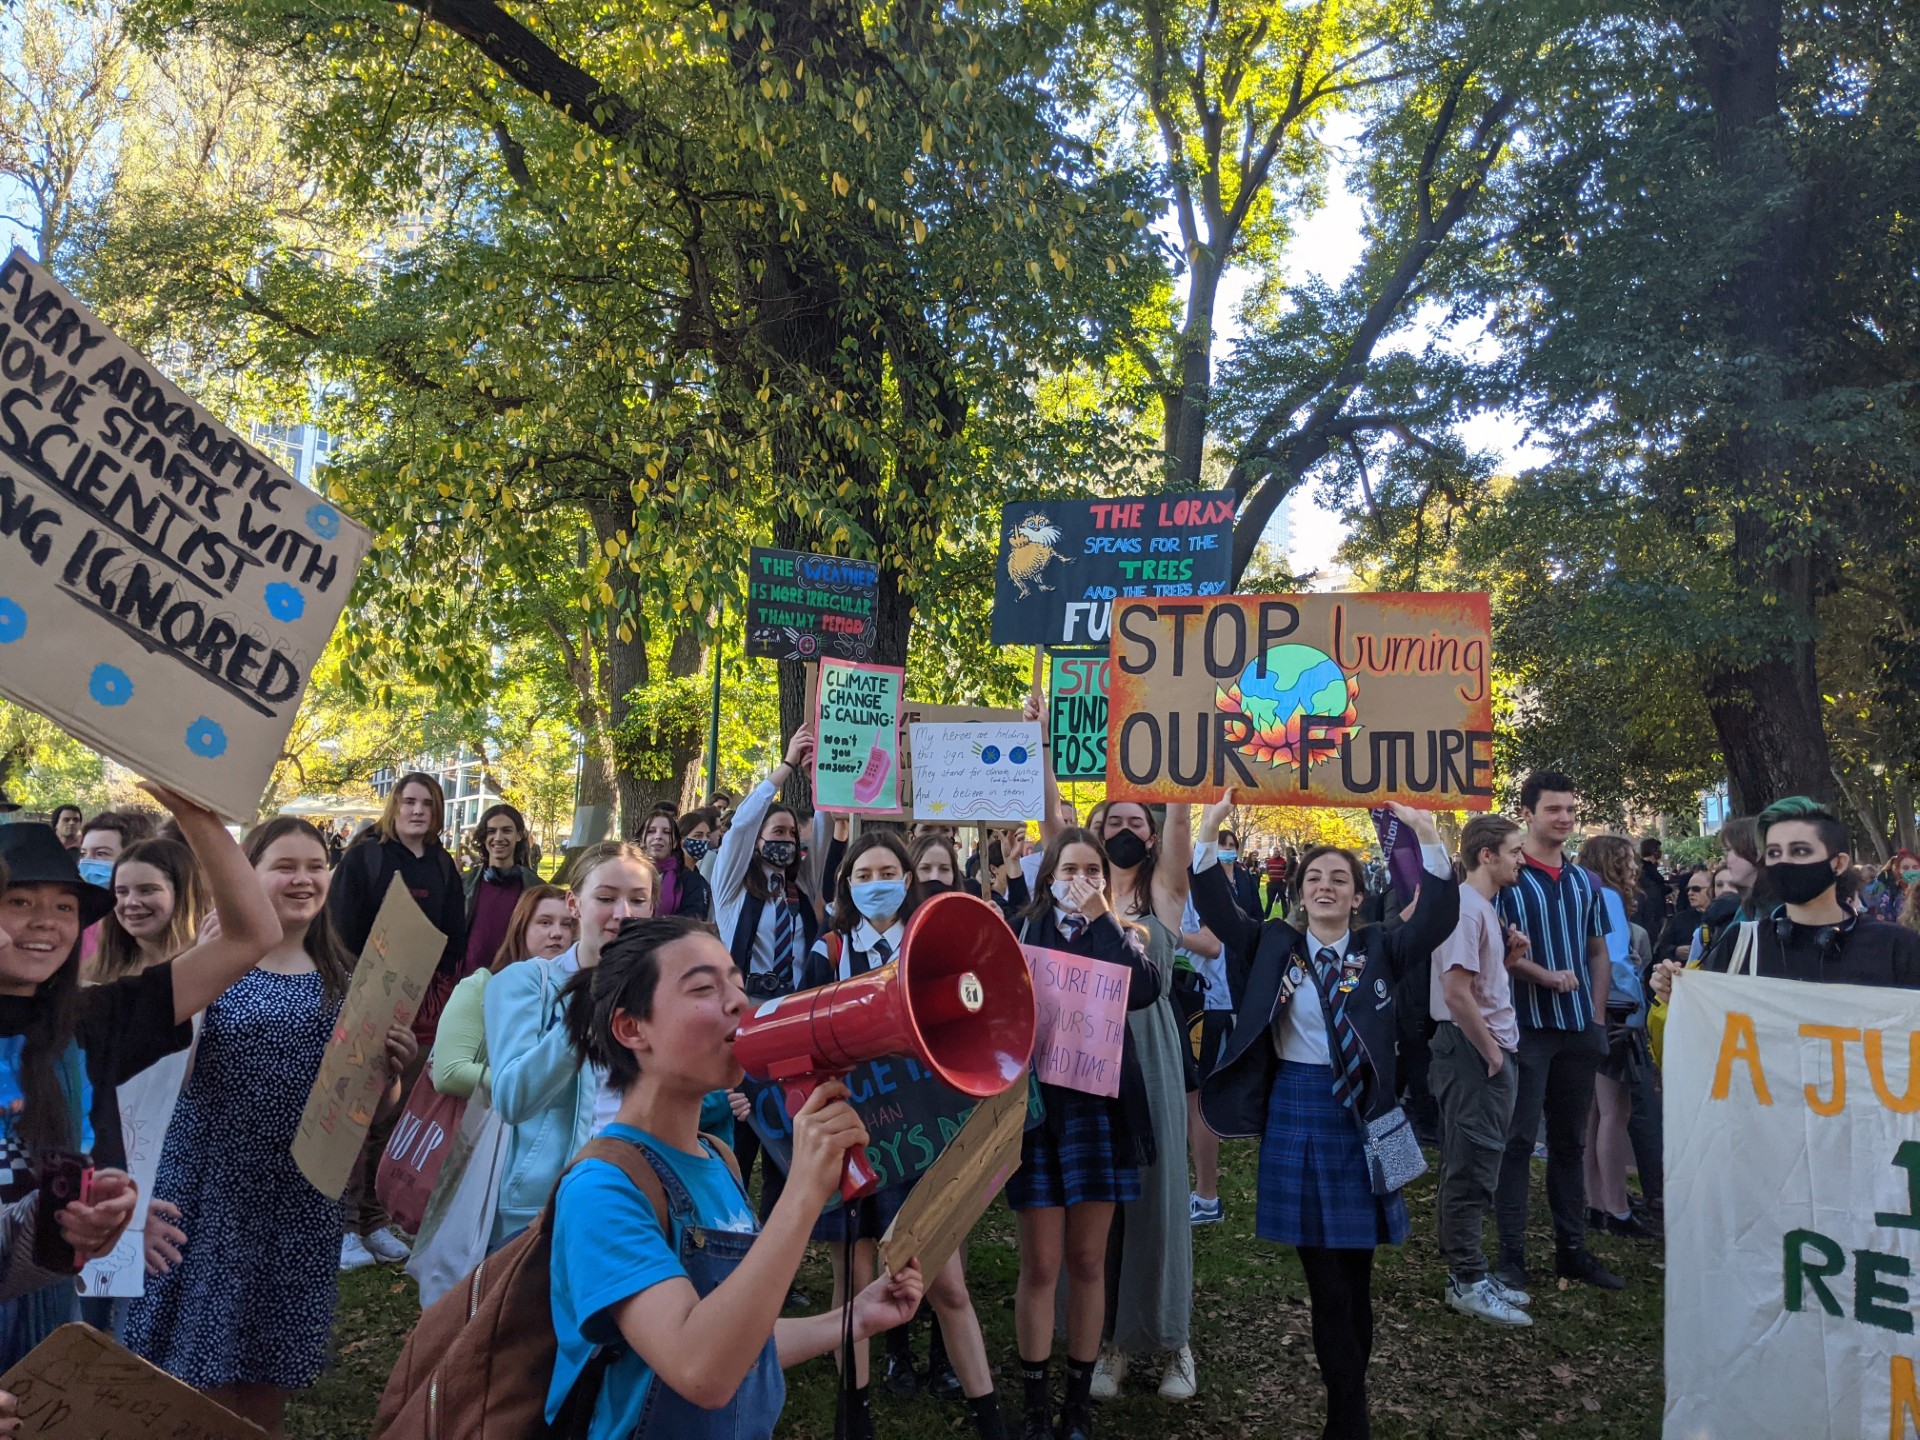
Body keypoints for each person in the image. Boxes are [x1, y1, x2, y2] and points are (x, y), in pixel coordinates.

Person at [545, 915, 925, 1438]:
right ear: (632, 1028)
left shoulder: (717, 1158)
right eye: (703, 988)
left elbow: (739, 1338)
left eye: (739, 985)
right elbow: (701, 1370)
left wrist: (853, 1319)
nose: (738, 1004)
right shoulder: (602, 1190)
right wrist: (804, 1191)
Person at [124, 816, 413, 1437]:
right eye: (284, 866)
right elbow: (159, 1080)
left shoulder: (350, 976)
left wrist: (391, 1071)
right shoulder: (212, 964)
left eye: (315, 865)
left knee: (268, 1374)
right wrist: (201, 971)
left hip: (300, 1199)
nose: (303, 879)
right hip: (212, 1191)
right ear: (248, 875)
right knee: (195, 1376)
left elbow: (375, 1110)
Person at [1192, 796, 1457, 1440]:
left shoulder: (1379, 948)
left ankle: (1348, 1400)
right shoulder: (1272, 942)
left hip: (1363, 1115)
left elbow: (1437, 921)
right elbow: (1219, 910)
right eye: (1314, 878)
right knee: (1326, 1282)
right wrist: (1207, 828)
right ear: (1299, 893)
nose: (1326, 886)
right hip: (1298, 1110)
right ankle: (1349, 1412)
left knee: (1356, 1275)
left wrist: (1425, 834)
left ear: (1358, 895)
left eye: (1339, 878)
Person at [0, 795, 283, 1367]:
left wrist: (194, 811)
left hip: (60, 1303)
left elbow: (251, 934)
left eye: (64, 907)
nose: (45, 922)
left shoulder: (94, 1023)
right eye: (19, 901)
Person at [798, 833, 1007, 1440]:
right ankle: (853, 1415)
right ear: (847, 884)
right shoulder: (829, 951)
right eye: (864, 872)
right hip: (848, 1137)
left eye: (888, 870)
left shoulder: (930, 950)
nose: (876, 881)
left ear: (909, 877)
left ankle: (988, 1416)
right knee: (853, 1282)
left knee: (946, 1283)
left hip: (918, 1141)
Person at [1004, 828, 1163, 1440]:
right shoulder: (1022, 934)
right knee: (1042, 1263)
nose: (1080, 879)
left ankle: (1078, 1400)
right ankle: (1037, 1399)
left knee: (1088, 1259)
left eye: (1091, 869)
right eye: (1068, 868)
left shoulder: (1123, 935)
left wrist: (1104, 917)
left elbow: (1144, 990)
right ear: (1048, 877)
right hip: (1039, 1114)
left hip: (1099, 1111)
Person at [484, 842, 656, 1251]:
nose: (622, 915)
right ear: (574, 903)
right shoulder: (527, 983)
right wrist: (593, 1002)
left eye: (638, 900)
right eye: (606, 898)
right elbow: (512, 1098)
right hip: (541, 1209)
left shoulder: (660, 993)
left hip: (637, 1195)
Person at [329, 772, 468, 1271]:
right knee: (357, 1111)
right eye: (408, 802)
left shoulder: (443, 866)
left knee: (395, 1111)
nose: (416, 811)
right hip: (366, 997)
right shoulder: (366, 857)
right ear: (395, 806)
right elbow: (340, 927)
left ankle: (373, 1220)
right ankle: (342, 1227)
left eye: (426, 804)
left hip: (421, 1005)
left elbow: (455, 937)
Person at [1491, 772, 1623, 1295]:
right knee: (1518, 1142)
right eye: (1553, 809)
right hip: (1524, 1027)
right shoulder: (1504, 876)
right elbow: (1491, 953)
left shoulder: (1585, 881)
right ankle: (1511, 1258)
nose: (1565, 818)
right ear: (1527, 813)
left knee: (1570, 1142)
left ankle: (1572, 1251)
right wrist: (1542, 977)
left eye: (1570, 808)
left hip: (1576, 1030)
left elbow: (1598, 952)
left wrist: (1594, 1016)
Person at [1653, 797, 1920, 998]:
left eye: (1800, 851)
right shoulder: (1740, 946)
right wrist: (1678, 995)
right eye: (1774, 853)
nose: (1784, 863)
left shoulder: (1897, 948)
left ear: (1838, 864)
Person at [1429, 814, 1530, 1327]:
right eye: (1514, 850)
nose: (1522, 858)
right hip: (1473, 1052)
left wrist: (1507, 961)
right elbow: (1454, 993)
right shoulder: (1466, 910)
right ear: (1486, 854)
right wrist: (1492, 1053)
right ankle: (1466, 1279)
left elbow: (1477, 985)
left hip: (1482, 1047)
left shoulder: (1481, 910)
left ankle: (1469, 1271)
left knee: (1476, 1161)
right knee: (1472, 1165)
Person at [1574, 836, 1655, 1243]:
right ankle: (1617, 1207)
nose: (1634, 867)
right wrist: (1636, 1012)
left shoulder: (1583, 894)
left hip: (1587, 1011)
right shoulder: (1608, 900)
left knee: (1591, 1114)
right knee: (1614, 1111)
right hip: (1616, 1012)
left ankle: (1596, 1202)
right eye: (1627, 860)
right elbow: (1617, 960)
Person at [432, 884, 575, 1104]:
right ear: (521, 928)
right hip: (475, 1127)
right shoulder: (482, 986)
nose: (557, 933)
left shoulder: (573, 995)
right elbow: (449, 1073)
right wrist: (533, 1084)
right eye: (545, 922)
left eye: (566, 925)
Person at [462, 803, 544, 987]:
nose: (498, 838)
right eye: (491, 831)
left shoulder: (537, 889)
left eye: (506, 830)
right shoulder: (463, 884)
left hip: (516, 985)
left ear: (519, 835)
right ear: (484, 837)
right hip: (467, 984)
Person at [639, 806, 711, 923]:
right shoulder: (627, 874)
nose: (658, 837)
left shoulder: (692, 881)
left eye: (666, 832)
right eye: (651, 831)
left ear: (675, 842)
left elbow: (690, 925)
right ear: (642, 839)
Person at [1654, 869, 1711, 965]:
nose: (1690, 893)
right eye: (1688, 889)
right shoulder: (1680, 919)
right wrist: (1675, 951)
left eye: (1696, 889)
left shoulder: (1722, 919)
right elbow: (1660, 950)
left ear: (1711, 889)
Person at [1634, 838, 1669, 936]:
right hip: (1653, 910)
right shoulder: (1647, 869)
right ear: (1654, 850)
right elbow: (1657, 888)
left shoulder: (1650, 867)